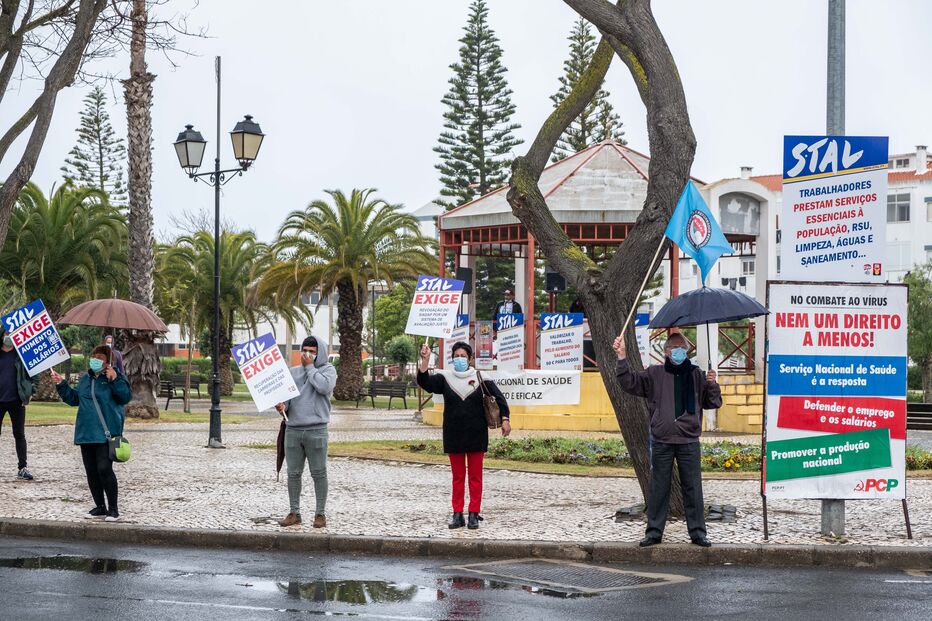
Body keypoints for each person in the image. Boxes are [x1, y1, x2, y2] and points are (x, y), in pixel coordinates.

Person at [614, 332, 721, 548]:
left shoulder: (697, 375)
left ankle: (698, 533)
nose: (679, 351)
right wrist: (622, 356)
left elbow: (712, 402)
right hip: (662, 439)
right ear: (666, 351)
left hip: (688, 439)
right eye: (674, 347)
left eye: (683, 347)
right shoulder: (654, 373)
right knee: (659, 488)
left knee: (693, 488)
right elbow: (629, 382)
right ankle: (654, 532)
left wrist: (712, 384)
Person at [417, 341, 510, 530]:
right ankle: (457, 514)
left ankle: (474, 513)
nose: (459, 359)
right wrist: (425, 360)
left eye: (463, 356)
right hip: (454, 434)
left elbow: (499, 399)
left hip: (477, 435)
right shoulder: (445, 378)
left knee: (475, 477)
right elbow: (424, 382)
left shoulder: (481, 377)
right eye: (456, 356)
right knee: (458, 477)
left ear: (469, 358)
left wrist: (506, 419)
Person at [51, 345, 132, 522]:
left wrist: (115, 380)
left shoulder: (115, 377)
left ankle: (113, 508)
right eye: (94, 356)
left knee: (104, 469)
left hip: (105, 433)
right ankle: (100, 506)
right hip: (86, 432)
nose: (95, 360)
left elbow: (125, 397)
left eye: (100, 357)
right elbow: (74, 399)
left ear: (108, 361)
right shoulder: (85, 379)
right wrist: (61, 384)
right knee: (91, 472)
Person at [276, 336, 337, 529]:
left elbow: (324, 387)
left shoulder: (328, 370)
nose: (307, 354)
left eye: (312, 351)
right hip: (293, 429)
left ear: (320, 353)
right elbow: (289, 400)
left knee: (319, 473)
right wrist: (282, 406)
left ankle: (320, 514)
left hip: (316, 430)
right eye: (304, 350)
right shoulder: (293, 372)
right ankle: (294, 512)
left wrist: (310, 367)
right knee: (293, 473)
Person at [0, 329, 37, 480]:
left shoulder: (22, 356)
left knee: (19, 434)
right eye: (6, 334)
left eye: (12, 335)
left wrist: (31, 391)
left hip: (17, 400)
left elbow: (34, 373)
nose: (9, 337)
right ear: (2, 335)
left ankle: (23, 467)